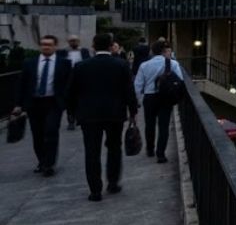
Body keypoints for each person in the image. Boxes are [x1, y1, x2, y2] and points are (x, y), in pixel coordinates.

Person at [66, 33, 138, 201]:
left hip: (89, 115)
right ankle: (112, 182)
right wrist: (132, 110)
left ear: (93, 46)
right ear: (110, 45)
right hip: (115, 113)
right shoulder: (121, 65)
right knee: (114, 148)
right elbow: (129, 91)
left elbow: (71, 92)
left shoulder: (81, 66)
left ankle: (95, 190)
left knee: (92, 152)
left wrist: (74, 112)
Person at [15, 34, 72, 176]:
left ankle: (49, 164)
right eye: (43, 44)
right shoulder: (30, 63)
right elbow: (22, 84)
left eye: (49, 44)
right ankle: (42, 160)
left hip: (53, 103)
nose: (46, 47)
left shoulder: (63, 63)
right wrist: (18, 104)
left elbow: (68, 84)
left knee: (51, 131)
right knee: (37, 134)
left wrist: (65, 101)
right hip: (34, 103)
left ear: (55, 46)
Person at [134, 40, 183, 163]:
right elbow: (180, 81)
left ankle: (150, 148)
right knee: (163, 126)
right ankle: (161, 154)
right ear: (163, 51)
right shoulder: (173, 64)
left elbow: (137, 86)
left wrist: (137, 101)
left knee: (149, 124)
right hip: (165, 97)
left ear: (152, 51)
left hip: (149, 97)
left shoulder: (144, 65)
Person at [60, 35, 92, 130]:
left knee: (81, 100)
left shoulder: (84, 51)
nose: (73, 42)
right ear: (68, 42)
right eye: (71, 41)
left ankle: (80, 117)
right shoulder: (63, 52)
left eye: (75, 41)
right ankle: (71, 119)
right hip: (68, 79)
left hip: (81, 79)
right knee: (70, 101)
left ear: (78, 41)